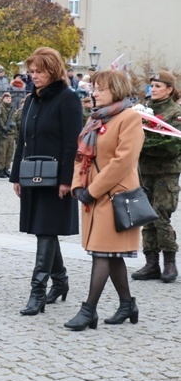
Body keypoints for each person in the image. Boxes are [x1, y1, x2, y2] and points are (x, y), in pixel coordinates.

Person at [63, 69, 144, 331]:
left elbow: (123, 162)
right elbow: (81, 155)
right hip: (94, 196)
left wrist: (93, 190)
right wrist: (77, 185)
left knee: (102, 253)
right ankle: (127, 304)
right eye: (94, 88)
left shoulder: (129, 118)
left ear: (117, 90)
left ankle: (89, 310)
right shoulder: (95, 119)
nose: (94, 93)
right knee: (111, 253)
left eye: (100, 89)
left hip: (115, 196)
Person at [9, 47, 83, 316]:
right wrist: (16, 174)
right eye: (31, 72)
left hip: (55, 178)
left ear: (53, 71)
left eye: (39, 71)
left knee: (46, 230)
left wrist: (66, 180)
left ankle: (37, 291)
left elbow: (72, 143)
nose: (34, 76)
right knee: (44, 230)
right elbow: (23, 140)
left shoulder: (68, 99)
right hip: (31, 175)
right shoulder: (30, 100)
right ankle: (60, 281)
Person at [132, 70, 181, 283]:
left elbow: (173, 146)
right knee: (146, 217)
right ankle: (151, 263)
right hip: (145, 171)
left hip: (166, 172)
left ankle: (169, 262)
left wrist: (142, 147)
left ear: (170, 89)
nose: (153, 89)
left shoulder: (175, 113)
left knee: (161, 215)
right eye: (152, 85)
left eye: (158, 86)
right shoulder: (144, 111)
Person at [0, 92, 16, 179]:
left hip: (11, 133)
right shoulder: (0, 108)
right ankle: (0, 170)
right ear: (3, 99)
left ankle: (6, 168)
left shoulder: (11, 108)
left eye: (9, 98)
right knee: (2, 152)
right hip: (2, 133)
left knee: (9, 152)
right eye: (6, 98)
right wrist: (4, 127)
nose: (8, 99)